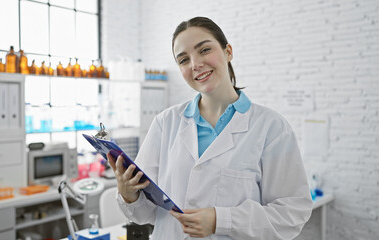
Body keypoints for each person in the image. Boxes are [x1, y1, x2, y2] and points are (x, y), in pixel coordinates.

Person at [107, 16, 313, 239]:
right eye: (184, 60)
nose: (195, 64)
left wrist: (220, 221)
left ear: (228, 51)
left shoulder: (271, 128)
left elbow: (292, 214)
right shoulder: (165, 124)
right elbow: (146, 214)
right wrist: (129, 195)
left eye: (204, 50)